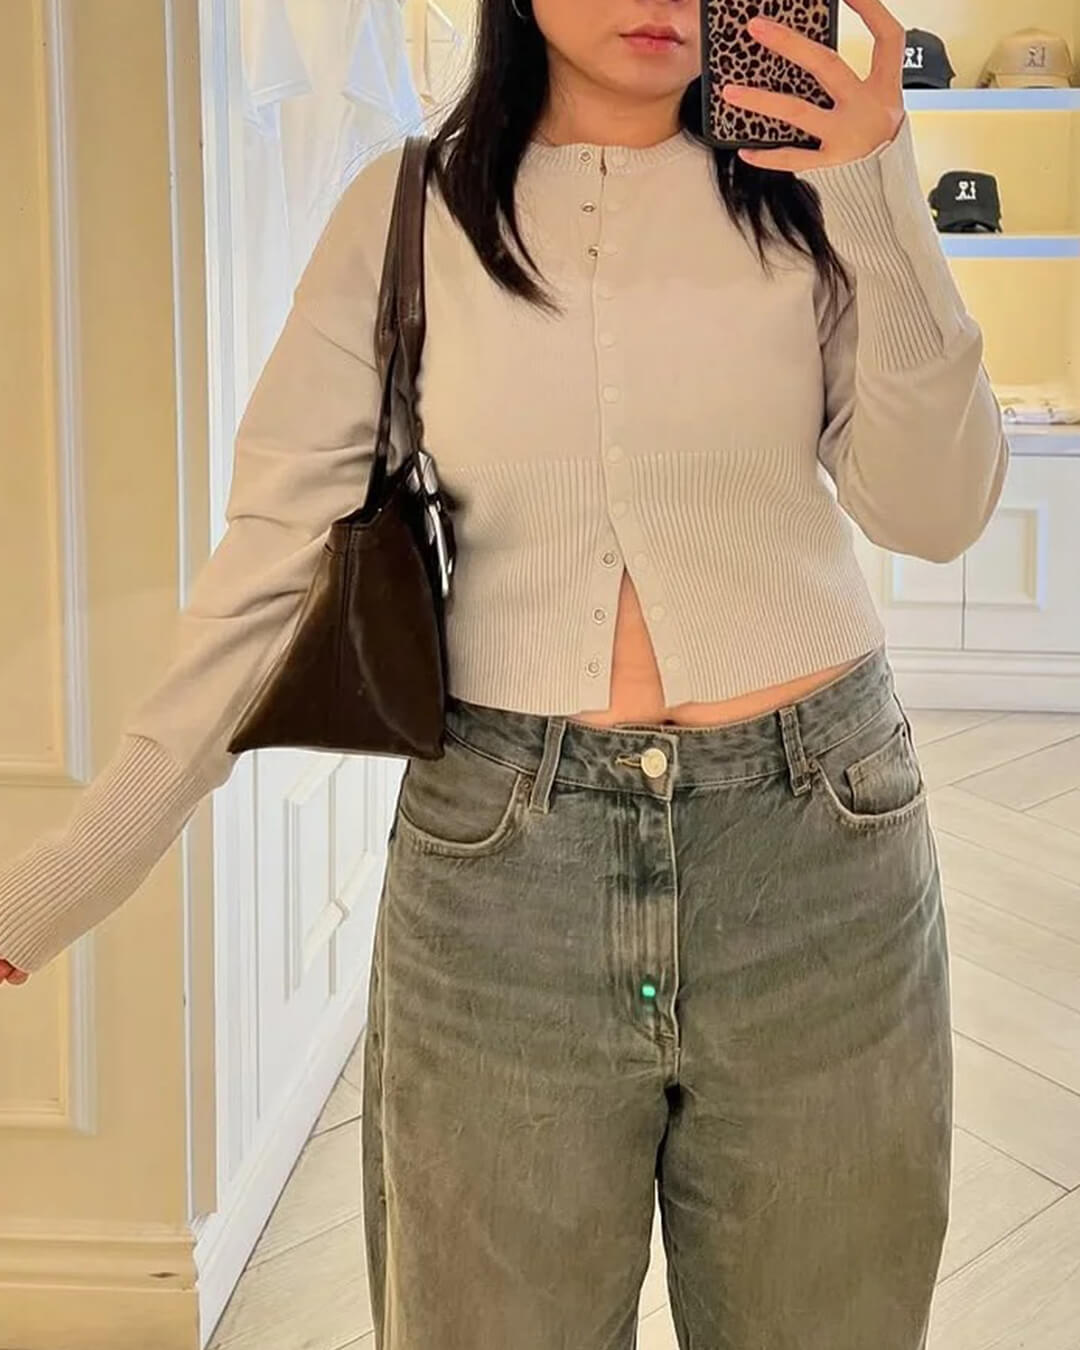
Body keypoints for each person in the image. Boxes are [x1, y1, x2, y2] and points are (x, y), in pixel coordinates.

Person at [0, 0, 1007, 1345]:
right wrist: (65, 874)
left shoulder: (810, 201)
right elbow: (267, 574)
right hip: (504, 875)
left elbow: (937, 507)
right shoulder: (404, 215)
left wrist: (876, 189)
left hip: (820, 850)